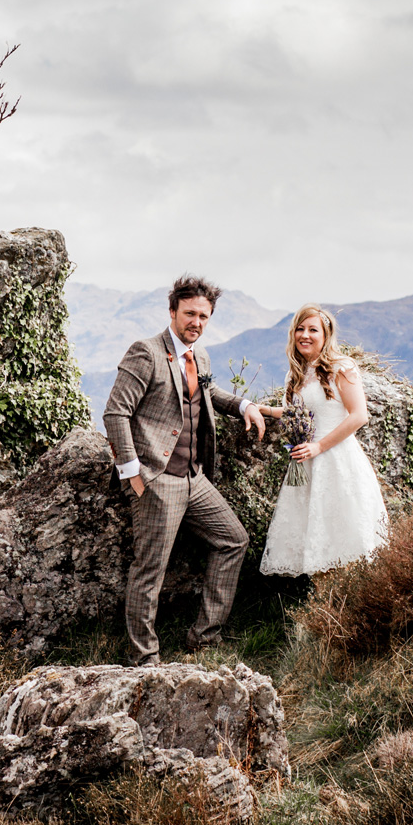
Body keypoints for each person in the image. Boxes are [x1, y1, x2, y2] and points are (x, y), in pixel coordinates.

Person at [102, 275, 267, 666]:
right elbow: (115, 412)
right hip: (157, 479)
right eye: (190, 313)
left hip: (195, 478)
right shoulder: (146, 353)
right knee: (150, 570)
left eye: (204, 316)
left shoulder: (200, 357)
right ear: (173, 311)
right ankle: (145, 658)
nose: (197, 322)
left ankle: (203, 640)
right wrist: (134, 474)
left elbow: (206, 393)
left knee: (233, 540)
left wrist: (245, 406)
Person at [258, 304, 389, 576]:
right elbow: (300, 413)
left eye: (312, 330)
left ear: (326, 335)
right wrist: (266, 410)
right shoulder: (295, 374)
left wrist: (319, 446)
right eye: (300, 329)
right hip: (306, 466)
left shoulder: (341, 367)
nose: (305, 335)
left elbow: (358, 415)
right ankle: (323, 606)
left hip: (338, 461)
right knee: (314, 539)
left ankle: (351, 607)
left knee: (344, 538)